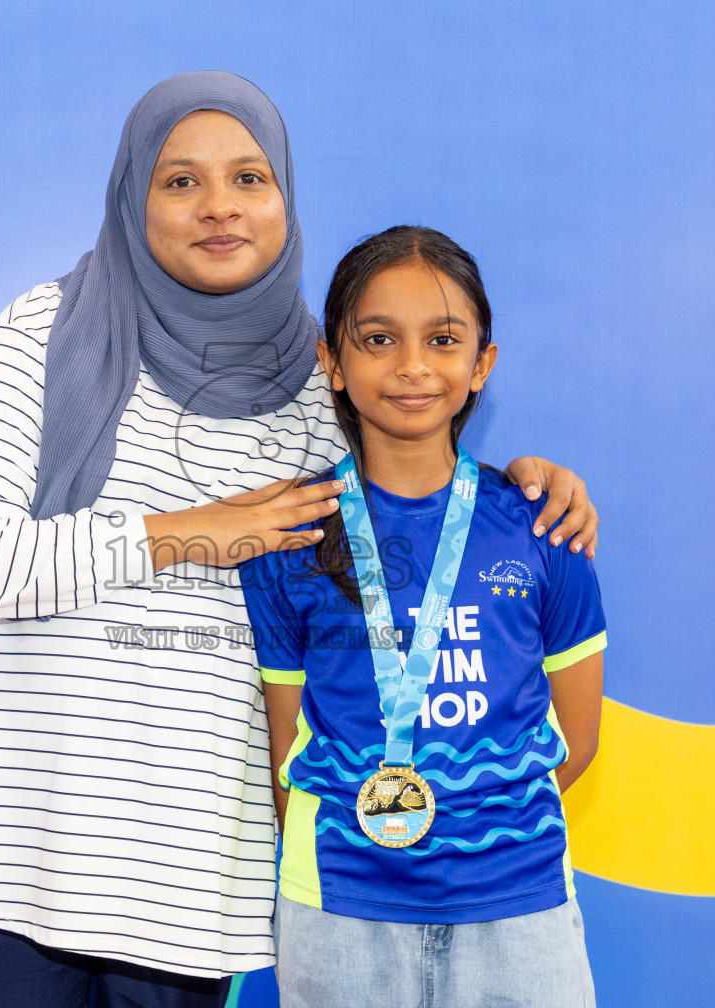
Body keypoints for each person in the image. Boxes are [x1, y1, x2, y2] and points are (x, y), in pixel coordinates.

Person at [0, 73, 600, 1008]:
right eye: (181, 181)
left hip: (192, 868)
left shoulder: (323, 378)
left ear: (285, 200)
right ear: (132, 194)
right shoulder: (44, 333)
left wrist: (530, 484)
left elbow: (415, 487)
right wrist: (190, 533)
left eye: (250, 179)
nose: (220, 207)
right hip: (30, 837)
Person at [240, 226, 605, 1007]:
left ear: (482, 364)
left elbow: (574, 746)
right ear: (332, 363)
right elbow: (286, 758)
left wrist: (475, 833)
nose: (411, 366)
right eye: (378, 339)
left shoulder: (545, 527)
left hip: (518, 902)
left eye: (442, 339)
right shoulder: (290, 538)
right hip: (339, 907)